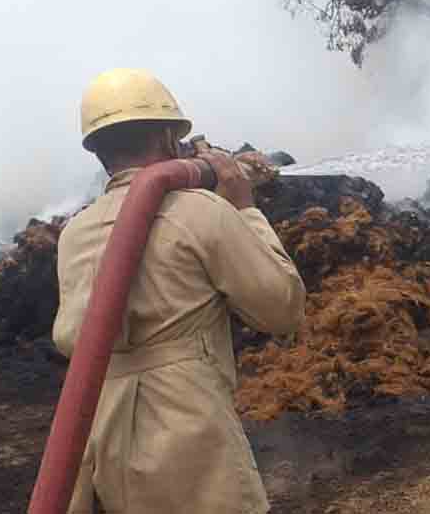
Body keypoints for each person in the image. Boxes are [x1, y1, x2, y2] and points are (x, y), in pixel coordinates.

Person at [52, 68, 307, 513]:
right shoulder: (200, 212)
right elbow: (282, 308)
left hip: (104, 442)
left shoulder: (75, 232)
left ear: (98, 152)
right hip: (192, 447)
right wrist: (245, 208)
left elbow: (73, 337)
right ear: (171, 138)